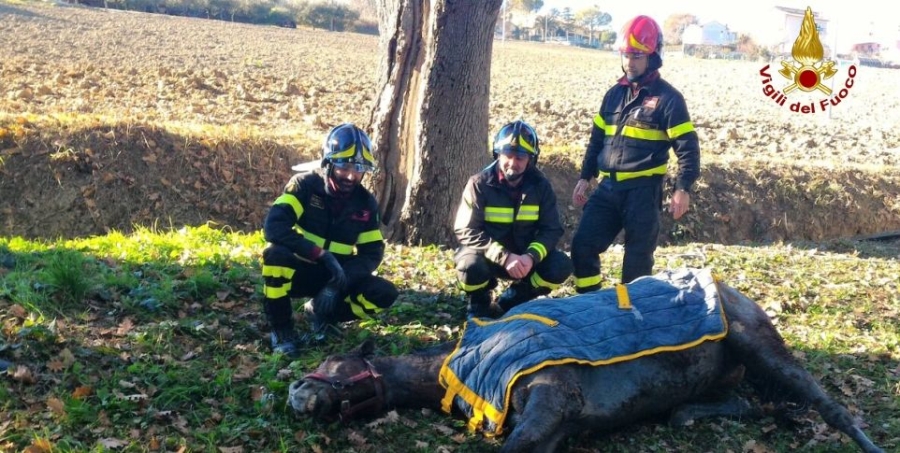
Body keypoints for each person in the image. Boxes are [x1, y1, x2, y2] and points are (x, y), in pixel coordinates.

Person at [570, 15, 700, 292]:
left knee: (637, 263)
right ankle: (589, 301)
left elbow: (688, 147)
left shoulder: (669, 99)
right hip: (608, 188)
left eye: (637, 56)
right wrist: (585, 176)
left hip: (643, 192)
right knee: (582, 245)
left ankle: (631, 312)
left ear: (653, 57)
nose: (630, 62)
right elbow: (597, 140)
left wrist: (682, 188)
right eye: (626, 55)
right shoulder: (613, 95)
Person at [260, 123, 398, 356]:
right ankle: (282, 329)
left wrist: (339, 281)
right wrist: (320, 254)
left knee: (384, 293)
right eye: (344, 166)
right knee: (275, 256)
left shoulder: (366, 203)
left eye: (359, 168)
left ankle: (322, 314)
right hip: (301, 271)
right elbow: (274, 227)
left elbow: (372, 253)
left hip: (337, 277)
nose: (351, 176)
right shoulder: (304, 186)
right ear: (329, 163)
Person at [453, 120, 573, 318]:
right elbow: (466, 230)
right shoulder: (478, 184)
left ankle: (512, 300)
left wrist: (531, 257)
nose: (512, 163)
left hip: (525, 259)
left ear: (531, 159)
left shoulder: (541, 186)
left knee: (560, 266)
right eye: (508, 155)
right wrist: (505, 257)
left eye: (520, 158)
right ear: (498, 154)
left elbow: (551, 229)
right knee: (469, 265)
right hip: (488, 257)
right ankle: (480, 302)